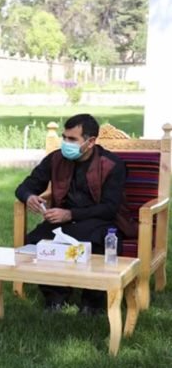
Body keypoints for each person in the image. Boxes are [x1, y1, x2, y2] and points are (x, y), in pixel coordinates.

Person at [15, 113, 135, 315]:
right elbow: (25, 186)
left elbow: (109, 208)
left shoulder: (111, 164)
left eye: (72, 139)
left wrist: (70, 214)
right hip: (63, 222)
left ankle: (93, 302)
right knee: (36, 240)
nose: (66, 143)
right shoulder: (56, 159)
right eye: (64, 137)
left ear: (91, 142)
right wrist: (29, 197)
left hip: (100, 221)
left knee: (98, 241)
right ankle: (55, 296)